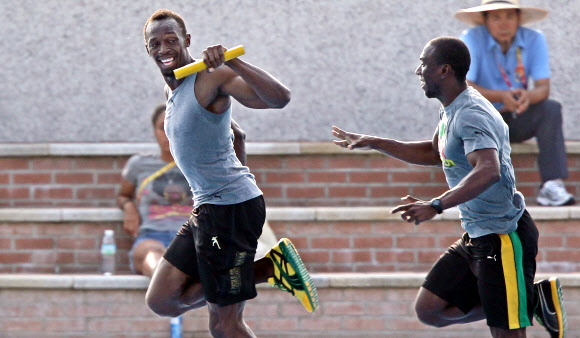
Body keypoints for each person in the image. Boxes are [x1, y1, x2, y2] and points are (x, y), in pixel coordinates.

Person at [333, 37, 566, 338]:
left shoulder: (471, 114)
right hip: (477, 234)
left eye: (423, 64)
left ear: (443, 70)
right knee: (430, 309)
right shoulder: (452, 108)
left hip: (503, 236)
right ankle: (528, 298)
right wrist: (376, 142)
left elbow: (488, 169)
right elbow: (434, 152)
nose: (418, 71)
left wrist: (435, 205)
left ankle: (519, 300)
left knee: (507, 333)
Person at [142, 9, 318, 337]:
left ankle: (268, 267)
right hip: (209, 209)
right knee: (163, 300)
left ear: (187, 41)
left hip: (229, 211)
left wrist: (232, 62)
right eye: (156, 43)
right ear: (149, 50)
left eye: (171, 40)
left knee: (225, 324)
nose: (164, 48)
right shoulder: (173, 92)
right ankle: (269, 267)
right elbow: (237, 135)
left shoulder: (212, 77)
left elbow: (280, 99)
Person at [117, 104, 276, 277]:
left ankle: (267, 265)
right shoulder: (139, 165)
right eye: (162, 127)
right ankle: (165, 278)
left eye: (173, 126)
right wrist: (128, 206)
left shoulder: (202, 162)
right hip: (152, 235)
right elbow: (123, 195)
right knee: (149, 254)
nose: (168, 133)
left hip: (194, 236)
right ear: (154, 131)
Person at [455, 0, 574, 207]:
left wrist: (528, 97)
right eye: (496, 17)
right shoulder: (471, 39)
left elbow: (543, 88)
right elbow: (464, 87)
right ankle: (472, 190)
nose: (504, 24)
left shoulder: (534, 39)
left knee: (551, 108)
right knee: (467, 116)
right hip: (483, 119)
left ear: (519, 18)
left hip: (516, 116)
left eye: (509, 16)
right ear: (485, 21)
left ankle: (551, 185)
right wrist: (501, 96)